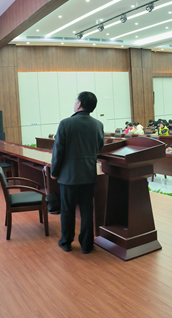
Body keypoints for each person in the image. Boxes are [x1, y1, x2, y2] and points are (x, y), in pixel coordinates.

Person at [51, 91, 104, 254]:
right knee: (87, 210)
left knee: (67, 209)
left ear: (79, 104)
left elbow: (58, 151)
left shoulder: (65, 123)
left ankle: (66, 242)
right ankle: (87, 245)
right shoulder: (98, 124)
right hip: (88, 174)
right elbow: (100, 147)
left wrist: (54, 171)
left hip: (69, 176)